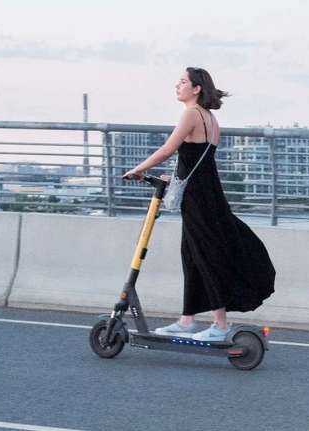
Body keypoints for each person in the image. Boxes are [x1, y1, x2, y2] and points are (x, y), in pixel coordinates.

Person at [122, 67, 275, 342]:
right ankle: (186, 320)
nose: (177, 85)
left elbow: (168, 149)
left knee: (205, 256)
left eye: (183, 82)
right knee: (191, 255)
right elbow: (196, 162)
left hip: (197, 197)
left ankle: (220, 325)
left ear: (196, 89)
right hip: (207, 191)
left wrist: (137, 169)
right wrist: (173, 178)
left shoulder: (191, 114)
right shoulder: (210, 118)